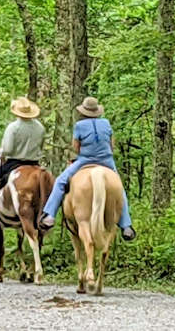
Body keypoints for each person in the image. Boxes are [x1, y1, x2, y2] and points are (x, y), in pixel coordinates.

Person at [38, 97, 136, 241]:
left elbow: (76, 148)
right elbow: (111, 146)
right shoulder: (106, 123)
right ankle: (126, 225)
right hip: (107, 161)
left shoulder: (79, 126)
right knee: (119, 189)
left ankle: (50, 216)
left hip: (85, 160)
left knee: (60, 181)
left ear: (83, 111)